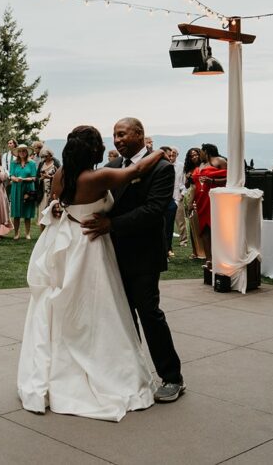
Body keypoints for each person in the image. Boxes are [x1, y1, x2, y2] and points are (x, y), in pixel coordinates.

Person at [17, 123, 175, 421]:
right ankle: (110, 368)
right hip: (92, 249)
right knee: (101, 311)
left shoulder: (65, 175)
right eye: (109, 139)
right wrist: (160, 152)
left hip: (75, 246)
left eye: (121, 135)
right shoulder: (103, 173)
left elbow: (60, 203)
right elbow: (136, 171)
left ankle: (166, 374)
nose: (113, 142)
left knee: (81, 312)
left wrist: (57, 208)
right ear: (94, 150)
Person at [82, 118, 185, 404]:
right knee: (122, 316)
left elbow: (154, 210)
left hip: (144, 253)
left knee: (149, 313)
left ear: (140, 134)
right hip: (112, 253)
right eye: (114, 135)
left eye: (123, 134)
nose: (117, 139)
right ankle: (133, 372)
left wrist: (111, 225)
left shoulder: (162, 169)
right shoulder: (113, 168)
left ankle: (172, 377)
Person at [191, 143, 227, 265]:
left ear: (206, 151)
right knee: (204, 229)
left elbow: (231, 178)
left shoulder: (219, 161)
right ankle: (208, 259)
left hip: (215, 199)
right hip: (201, 199)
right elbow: (195, 186)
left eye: (201, 151)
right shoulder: (201, 164)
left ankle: (220, 257)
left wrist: (213, 181)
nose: (199, 154)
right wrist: (191, 201)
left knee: (216, 228)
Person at [181, 148, 206, 259]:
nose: (194, 157)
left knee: (201, 224)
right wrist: (187, 179)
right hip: (191, 194)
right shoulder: (189, 169)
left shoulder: (204, 166)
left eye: (196, 154)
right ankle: (195, 251)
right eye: (192, 156)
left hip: (201, 195)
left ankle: (204, 251)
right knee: (192, 224)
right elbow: (186, 186)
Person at [9, 145, 38, 240]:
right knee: (16, 211)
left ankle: (27, 233)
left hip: (28, 188)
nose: (22, 152)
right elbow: (11, 175)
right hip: (16, 188)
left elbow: (34, 177)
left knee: (27, 212)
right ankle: (16, 233)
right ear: (17, 153)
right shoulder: (13, 163)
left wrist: (24, 179)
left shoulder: (32, 163)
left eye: (24, 151)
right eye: (20, 151)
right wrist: (16, 179)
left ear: (27, 152)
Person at [36, 148, 58, 215]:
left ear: (50, 155)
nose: (44, 158)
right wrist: (41, 178)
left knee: (50, 211)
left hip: (52, 190)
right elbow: (37, 176)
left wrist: (50, 177)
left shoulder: (56, 163)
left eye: (46, 156)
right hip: (42, 191)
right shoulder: (41, 163)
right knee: (42, 211)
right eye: (42, 156)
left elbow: (59, 176)